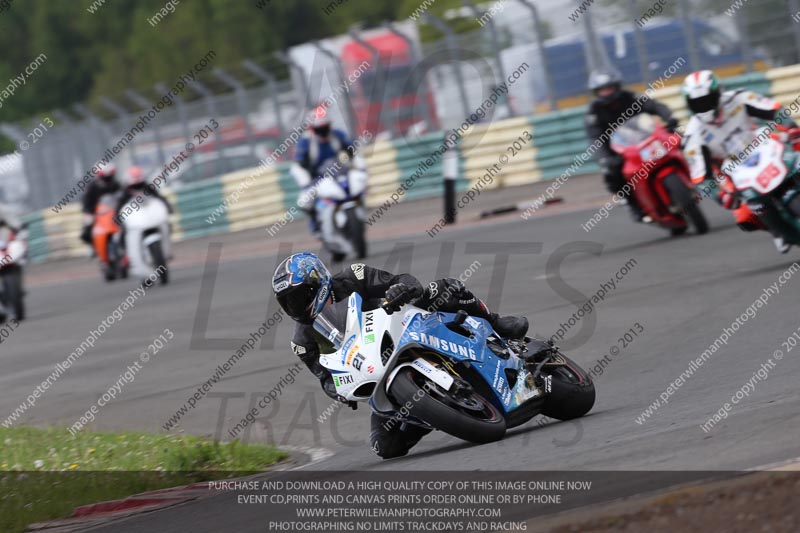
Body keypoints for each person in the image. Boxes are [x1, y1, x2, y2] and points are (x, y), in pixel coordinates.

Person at [272, 252, 529, 459]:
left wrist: (399, 289)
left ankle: (496, 323)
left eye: (300, 297)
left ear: (318, 281)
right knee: (385, 446)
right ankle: (426, 413)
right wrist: (339, 389)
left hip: (407, 324)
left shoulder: (353, 277)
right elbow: (325, 377)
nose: (296, 307)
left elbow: (406, 280)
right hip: (378, 371)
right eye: (289, 303)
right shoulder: (303, 342)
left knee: (442, 290)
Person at [681, 70, 799, 254]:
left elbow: (774, 109)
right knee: (745, 217)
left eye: (707, 99)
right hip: (734, 169)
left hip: (762, 143)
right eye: (697, 103)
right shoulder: (692, 136)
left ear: (718, 93)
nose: (703, 106)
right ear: (689, 104)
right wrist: (722, 197)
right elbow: (700, 178)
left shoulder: (739, 97)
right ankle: (776, 231)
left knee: (797, 154)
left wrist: (790, 128)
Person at [585, 68, 679, 222]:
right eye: (602, 90)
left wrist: (669, 119)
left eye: (609, 88)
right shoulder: (594, 112)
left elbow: (656, 106)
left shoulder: (631, 97)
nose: (607, 93)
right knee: (612, 173)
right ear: (596, 92)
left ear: (617, 86)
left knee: (675, 141)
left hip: (642, 137)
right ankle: (633, 204)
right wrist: (605, 158)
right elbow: (595, 139)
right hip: (617, 150)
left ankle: (696, 175)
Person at [291, 104, 363, 235]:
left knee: (358, 183)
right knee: (305, 201)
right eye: (320, 129)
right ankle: (316, 225)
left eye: (325, 127)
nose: (323, 131)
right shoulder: (306, 141)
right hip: (318, 177)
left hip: (340, 172)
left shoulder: (337, 135)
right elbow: (300, 162)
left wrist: (356, 164)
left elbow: (352, 150)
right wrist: (307, 178)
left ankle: (359, 210)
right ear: (313, 128)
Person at [81, 162, 121, 246]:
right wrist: (89, 211)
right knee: (88, 222)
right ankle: (92, 244)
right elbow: (86, 201)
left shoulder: (116, 185)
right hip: (96, 212)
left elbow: (121, 196)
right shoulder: (92, 187)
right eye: (105, 177)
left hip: (113, 210)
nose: (107, 179)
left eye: (109, 177)